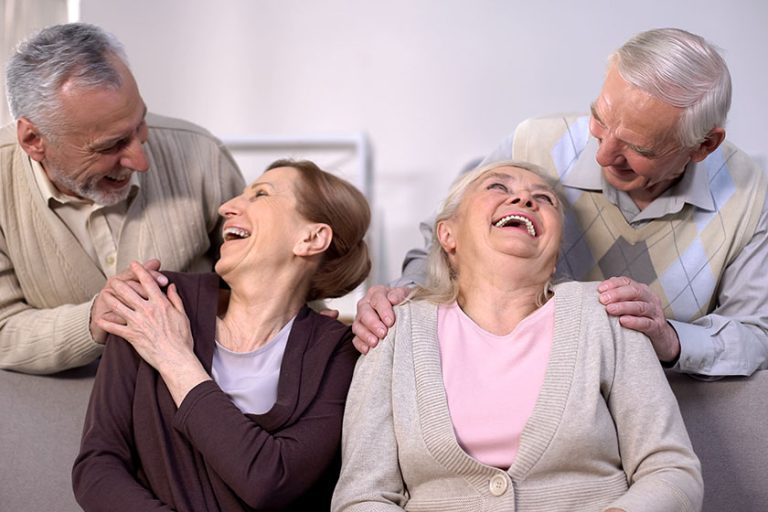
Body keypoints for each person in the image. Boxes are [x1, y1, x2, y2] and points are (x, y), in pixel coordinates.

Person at [353, 27, 768, 377]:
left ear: (704, 145)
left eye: (639, 148)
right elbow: (438, 245)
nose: (603, 156)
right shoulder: (534, 145)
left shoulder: (752, 196)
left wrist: (669, 339)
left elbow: (756, 334)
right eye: (600, 120)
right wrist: (400, 298)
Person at [332, 161, 702, 512]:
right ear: (447, 234)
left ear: (555, 255)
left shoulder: (607, 312)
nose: (525, 199)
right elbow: (362, 496)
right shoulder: (393, 327)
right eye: (497, 187)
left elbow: (671, 469)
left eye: (544, 199)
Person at [73, 159, 371, 511]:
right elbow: (97, 468)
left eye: (260, 194)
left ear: (312, 238)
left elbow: (270, 481)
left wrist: (174, 358)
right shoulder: (155, 303)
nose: (226, 207)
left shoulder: (338, 352)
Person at [0, 22, 244, 374]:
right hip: (48, 404)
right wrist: (96, 319)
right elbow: (3, 328)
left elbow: (274, 275)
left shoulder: (202, 154)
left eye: (140, 125)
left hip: (199, 395)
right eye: (110, 146)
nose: (141, 161)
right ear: (33, 140)